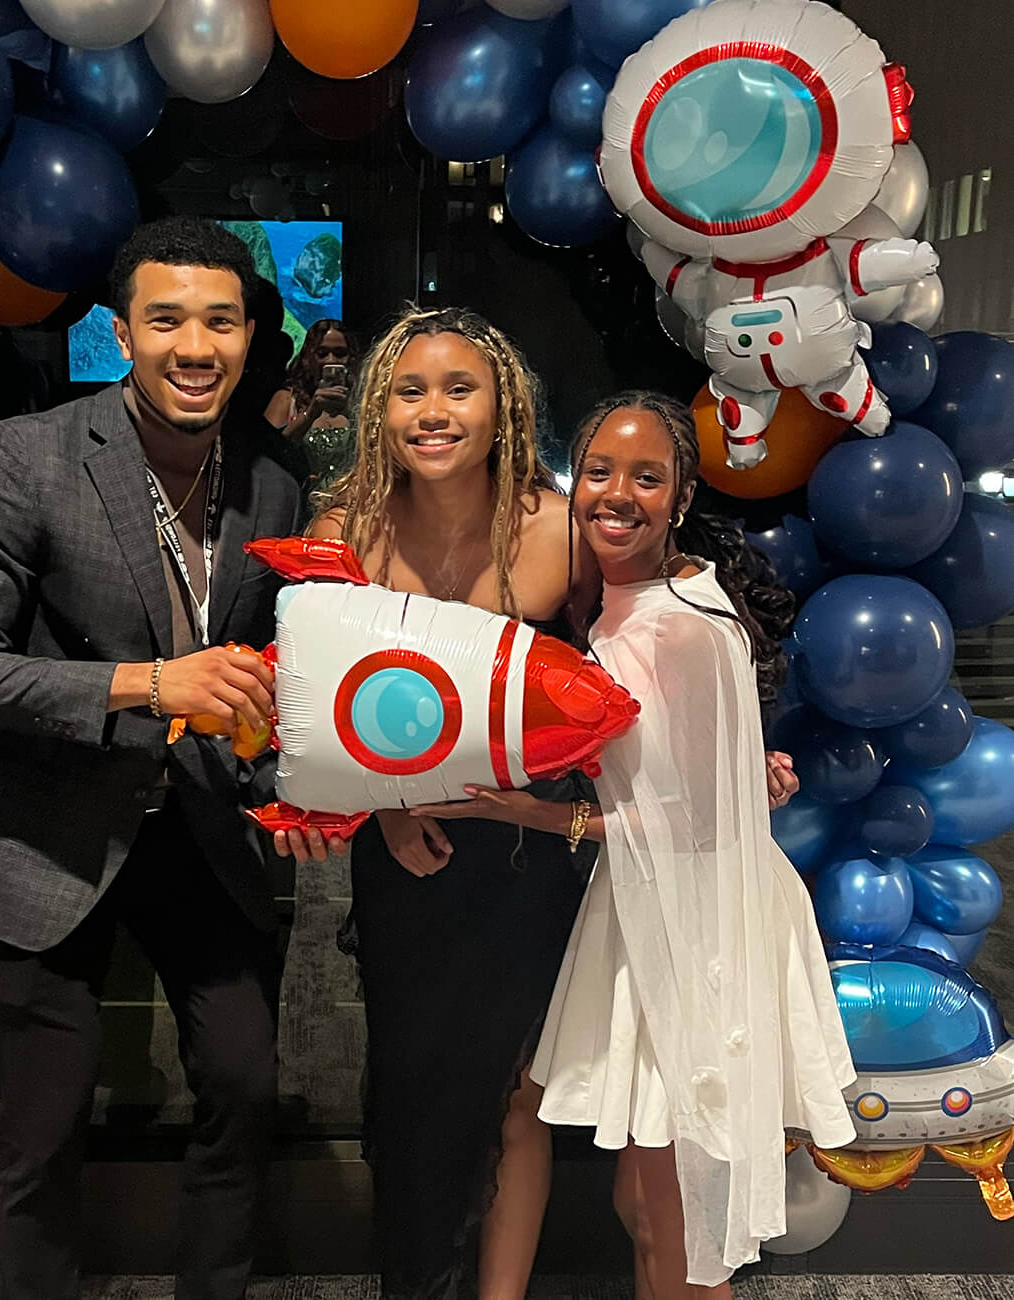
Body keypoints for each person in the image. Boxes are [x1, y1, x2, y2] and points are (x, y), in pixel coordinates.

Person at [278, 311, 799, 1299]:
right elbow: (314, 705)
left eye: (459, 388)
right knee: (410, 1095)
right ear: (379, 409)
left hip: (537, 856)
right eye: (410, 390)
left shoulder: (559, 523)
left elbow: (658, 625)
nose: (433, 413)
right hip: (411, 854)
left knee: (520, 1095)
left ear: (504, 404)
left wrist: (733, 751)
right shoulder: (341, 531)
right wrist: (385, 805)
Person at [0, 216, 299, 1300]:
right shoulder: (26, 456)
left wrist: (289, 770)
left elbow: (262, 669)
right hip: (39, 829)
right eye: (165, 317)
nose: (194, 344)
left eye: (220, 319)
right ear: (121, 333)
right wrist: (146, 684)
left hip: (201, 823)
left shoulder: (267, 484)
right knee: (41, 1125)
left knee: (244, 1080)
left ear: (248, 335)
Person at [412, 392, 855, 1296]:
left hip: (694, 924)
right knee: (649, 1206)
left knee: (674, 1222)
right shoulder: (645, 593)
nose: (618, 494)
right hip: (663, 905)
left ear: (681, 496)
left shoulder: (675, 623)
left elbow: (696, 826)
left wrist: (530, 814)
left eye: (647, 477)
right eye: (602, 473)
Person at [265, 318, 358, 489]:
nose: (331, 360)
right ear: (309, 357)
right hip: (300, 502)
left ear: (350, 357)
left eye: (340, 353)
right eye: (322, 353)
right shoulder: (287, 400)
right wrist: (310, 413)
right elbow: (268, 455)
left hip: (347, 502)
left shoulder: (362, 402)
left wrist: (351, 413)